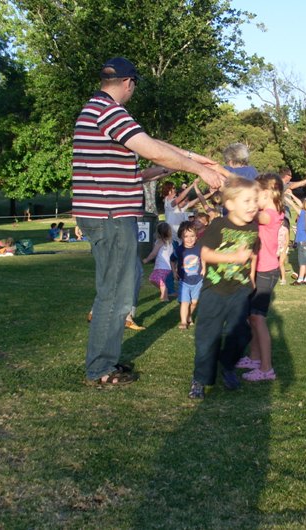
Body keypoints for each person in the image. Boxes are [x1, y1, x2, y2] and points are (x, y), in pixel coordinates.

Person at [73, 56, 226, 386]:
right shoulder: (108, 111)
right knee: (114, 293)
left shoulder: (97, 110)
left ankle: (105, 361)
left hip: (108, 215)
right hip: (111, 217)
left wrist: (192, 158)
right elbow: (151, 148)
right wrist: (198, 169)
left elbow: (151, 149)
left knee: (120, 288)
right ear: (129, 83)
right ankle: (100, 368)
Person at [188, 176, 259, 399]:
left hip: (240, 288)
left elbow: (254, 253)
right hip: (215, 289)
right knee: (208, 336)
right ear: (229, 205)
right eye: (247, 201)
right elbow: (205, 254)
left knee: (240, 333)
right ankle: (201, 379)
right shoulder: (218, 224)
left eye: (255, 201)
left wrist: (252, 278)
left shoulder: (254, 227)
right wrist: (233, 258)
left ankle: (227, 364)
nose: (253, 206)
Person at [237, 173, 284, 382]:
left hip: (267, 271)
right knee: (252, 318)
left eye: (257, 194)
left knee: (258, 319)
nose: (254, 199)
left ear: (265, 193)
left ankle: (266, 369)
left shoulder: (271, 214)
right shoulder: (269, 210)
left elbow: (257, 216)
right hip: (259, 270)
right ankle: (255, 359)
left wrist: (239, 202)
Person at [174, 221, 204, 330]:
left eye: (192, 236)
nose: (189, 239)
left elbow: (204, 257)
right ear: (181, 237)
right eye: (186, 236)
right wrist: (174, 271)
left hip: (198, 280)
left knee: (195, 302)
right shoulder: (179, 249)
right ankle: (183, 322)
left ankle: (189, 316)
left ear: (196, 236)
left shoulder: (199, 247)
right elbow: (172, 260)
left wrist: (204, 268)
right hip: (184, 281)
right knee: (185, 302)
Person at [142, 222, 175, 302]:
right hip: (167, 267)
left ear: (158, 232)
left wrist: (146, 259)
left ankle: (165, 296)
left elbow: (154, 253)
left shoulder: (160, 242)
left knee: (159, 280)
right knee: (152, 279)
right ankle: (164, 291)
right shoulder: (170, 242)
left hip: (162, 266)